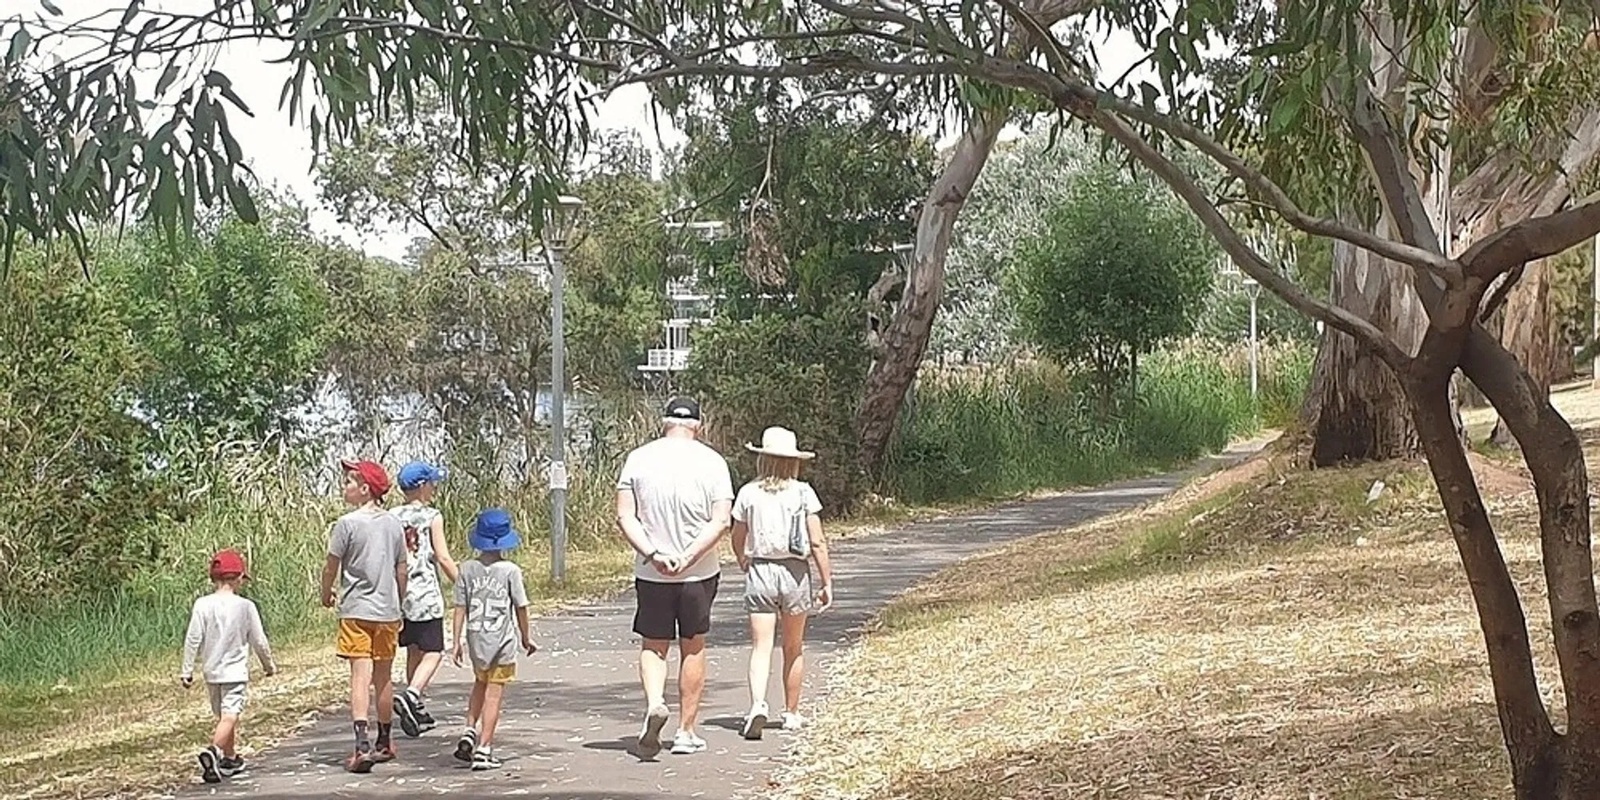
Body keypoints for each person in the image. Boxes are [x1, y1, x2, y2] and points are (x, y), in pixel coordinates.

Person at [615, 396, 735, 758]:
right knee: (693, 646)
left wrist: (654, 554)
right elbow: (722, 520)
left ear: (664, 421)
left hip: (652, 571)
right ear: (698, 424)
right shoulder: (713, 462)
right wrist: (689, 556)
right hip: (698, 571)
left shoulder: (638, 458)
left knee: (654, 644)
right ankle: (685, 731)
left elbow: (625, 516)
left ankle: (654, 702)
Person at [730, 427, 834, 740]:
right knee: (793, 646)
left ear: (762, 458)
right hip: (795, 572)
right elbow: (817, 541)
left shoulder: (749, 492)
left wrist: (742, 558)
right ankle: (791, 712)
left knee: (761, 646)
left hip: (761, 569)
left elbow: (737, 534)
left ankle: (758, 703)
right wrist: (826, 580)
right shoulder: (803, 493)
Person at [319, 458, 408, 774]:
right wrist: (400, 599)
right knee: (383, 677)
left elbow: (332, 564)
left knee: (360, 675)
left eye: (349, 482)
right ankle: (385, 741)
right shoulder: (393, 524)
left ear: (365, 488)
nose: (345, 487)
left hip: (356, 610)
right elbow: (401, 567)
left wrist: (326, 591)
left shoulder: (346, 524)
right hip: (386, 611)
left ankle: (360, 745)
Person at [180, 549, 277, 784]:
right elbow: (259, 640)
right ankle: (213, 751)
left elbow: (193, 638)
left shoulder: (202, 604)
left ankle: (230, 757)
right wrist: (269, 665)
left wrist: (187, 669)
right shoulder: (245, 606)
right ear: (238, 578)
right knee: (230, 715)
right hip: (234, 672)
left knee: (223, 716)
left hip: (211, 671)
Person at [451, 507, 537, 771]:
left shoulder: (466, 569)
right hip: (502, 641)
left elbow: (459, 606)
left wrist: (456, 640)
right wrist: (526, 637)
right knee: (494, 694)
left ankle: (469, 728)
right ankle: (485, 747)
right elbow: (520, 606)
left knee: (479, 683)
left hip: (476, 638)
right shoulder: (510, 571)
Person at [390, 460, 459, 738]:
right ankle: (412, 694)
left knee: (413, 649)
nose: (434, 487)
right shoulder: (433, 516)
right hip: (426, 594)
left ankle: (415, 708)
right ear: (421, 487)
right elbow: (442, 556)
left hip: (400, 594)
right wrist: (463, 582)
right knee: (433, 651)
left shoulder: (390, 516)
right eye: (431, 483)